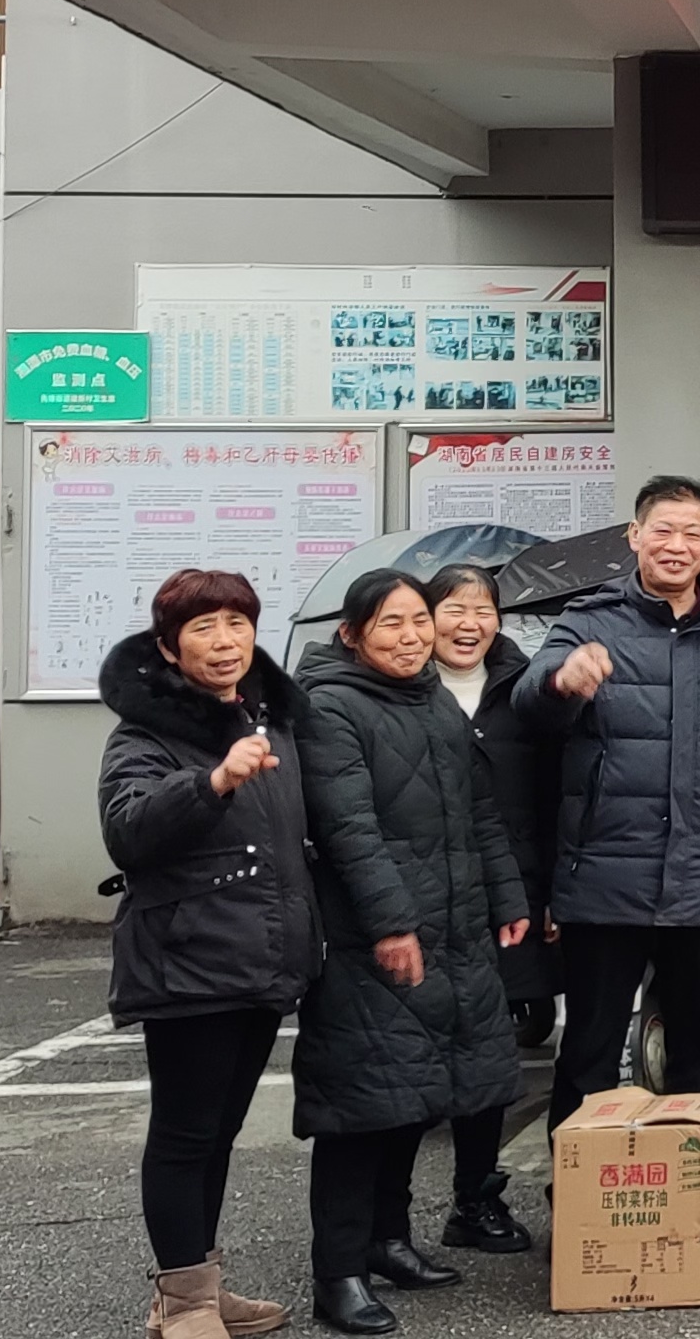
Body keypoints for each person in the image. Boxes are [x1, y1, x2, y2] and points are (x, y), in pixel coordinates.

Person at [292, 570, 530, 1335]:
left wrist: (507, 897)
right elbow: (348, 830)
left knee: (413, 1095)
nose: (411, 637)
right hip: (372, 941)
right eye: (390, 624)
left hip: (453, 932)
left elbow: (479, 813)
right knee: (359, 1106)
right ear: (351, 634)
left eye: (418, 621)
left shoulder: (431, 699)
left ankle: (388, 1241)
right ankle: (338, 1272)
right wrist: (393, 925)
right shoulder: (330, 706)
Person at [517, 478, 700, 1124]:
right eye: (662, 531)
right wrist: (562, 680)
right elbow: (531, 703)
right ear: (635, 536)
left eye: (691, 533)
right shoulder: (587, 622)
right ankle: (579, 1183)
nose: (676, 545)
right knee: (589, 1053)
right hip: (606, 879)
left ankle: (699, 1180)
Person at [101, 571, 314, 1339]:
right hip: (188, 959)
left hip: (259, 956)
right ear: (168, 648)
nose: (225, 642)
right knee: (185, 1134)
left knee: (218, 1132)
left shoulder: (268, 718)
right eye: (203, 628)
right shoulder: (144, 734)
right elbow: (128, 830)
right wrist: (212, 781)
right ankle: (185, 1305)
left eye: (237, 623)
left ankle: (195, 1289)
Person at [417, 564, 547, 1258]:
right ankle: (383, 1222)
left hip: (507, 897)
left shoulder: (525, 689)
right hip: (417, 899)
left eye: (484, 610)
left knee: (490, 1057)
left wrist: (550, 893)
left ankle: (475, 1198)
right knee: (409, 1056)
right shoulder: (400, 686)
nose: (469, 624)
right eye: (454, 609)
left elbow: (556, 791)